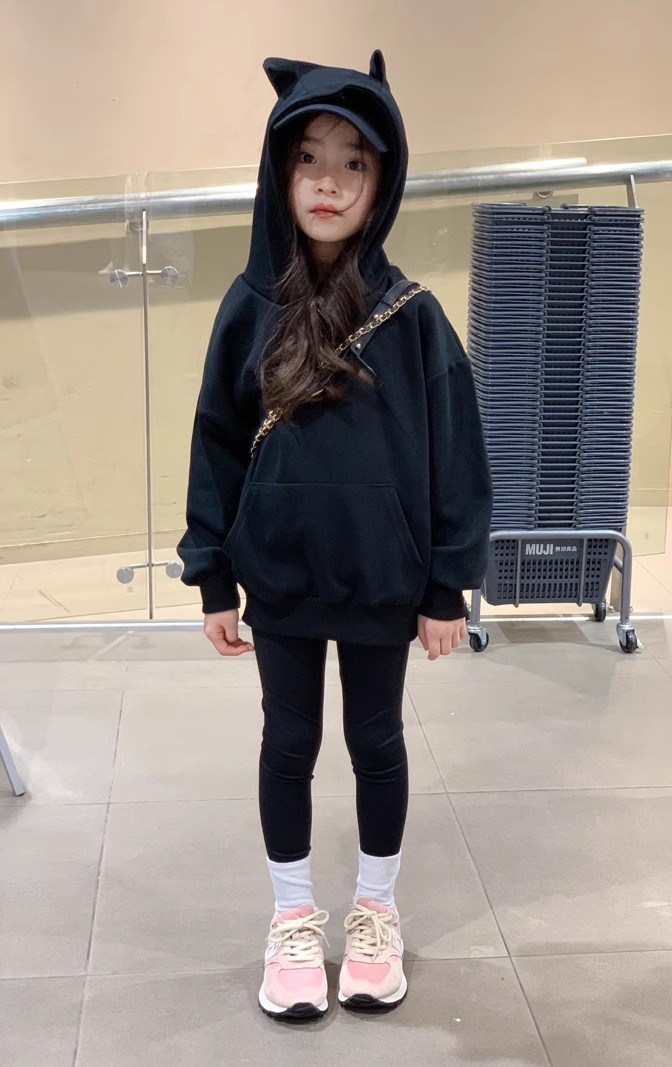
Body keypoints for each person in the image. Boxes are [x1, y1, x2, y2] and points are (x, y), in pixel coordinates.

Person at [177, 50, 492, 1023]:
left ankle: (374, 911)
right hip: (278, 575)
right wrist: (211, 573)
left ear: (382, 181)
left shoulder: (413, 317)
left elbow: (455, 454)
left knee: (375, 739)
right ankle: (290, 918)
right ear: (279, 173)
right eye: (308, 157)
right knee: (289, 740)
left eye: (353, 162)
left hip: (380, 577)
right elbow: (216, 442)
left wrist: (446, 584)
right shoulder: (249, 310)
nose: (328, 181)